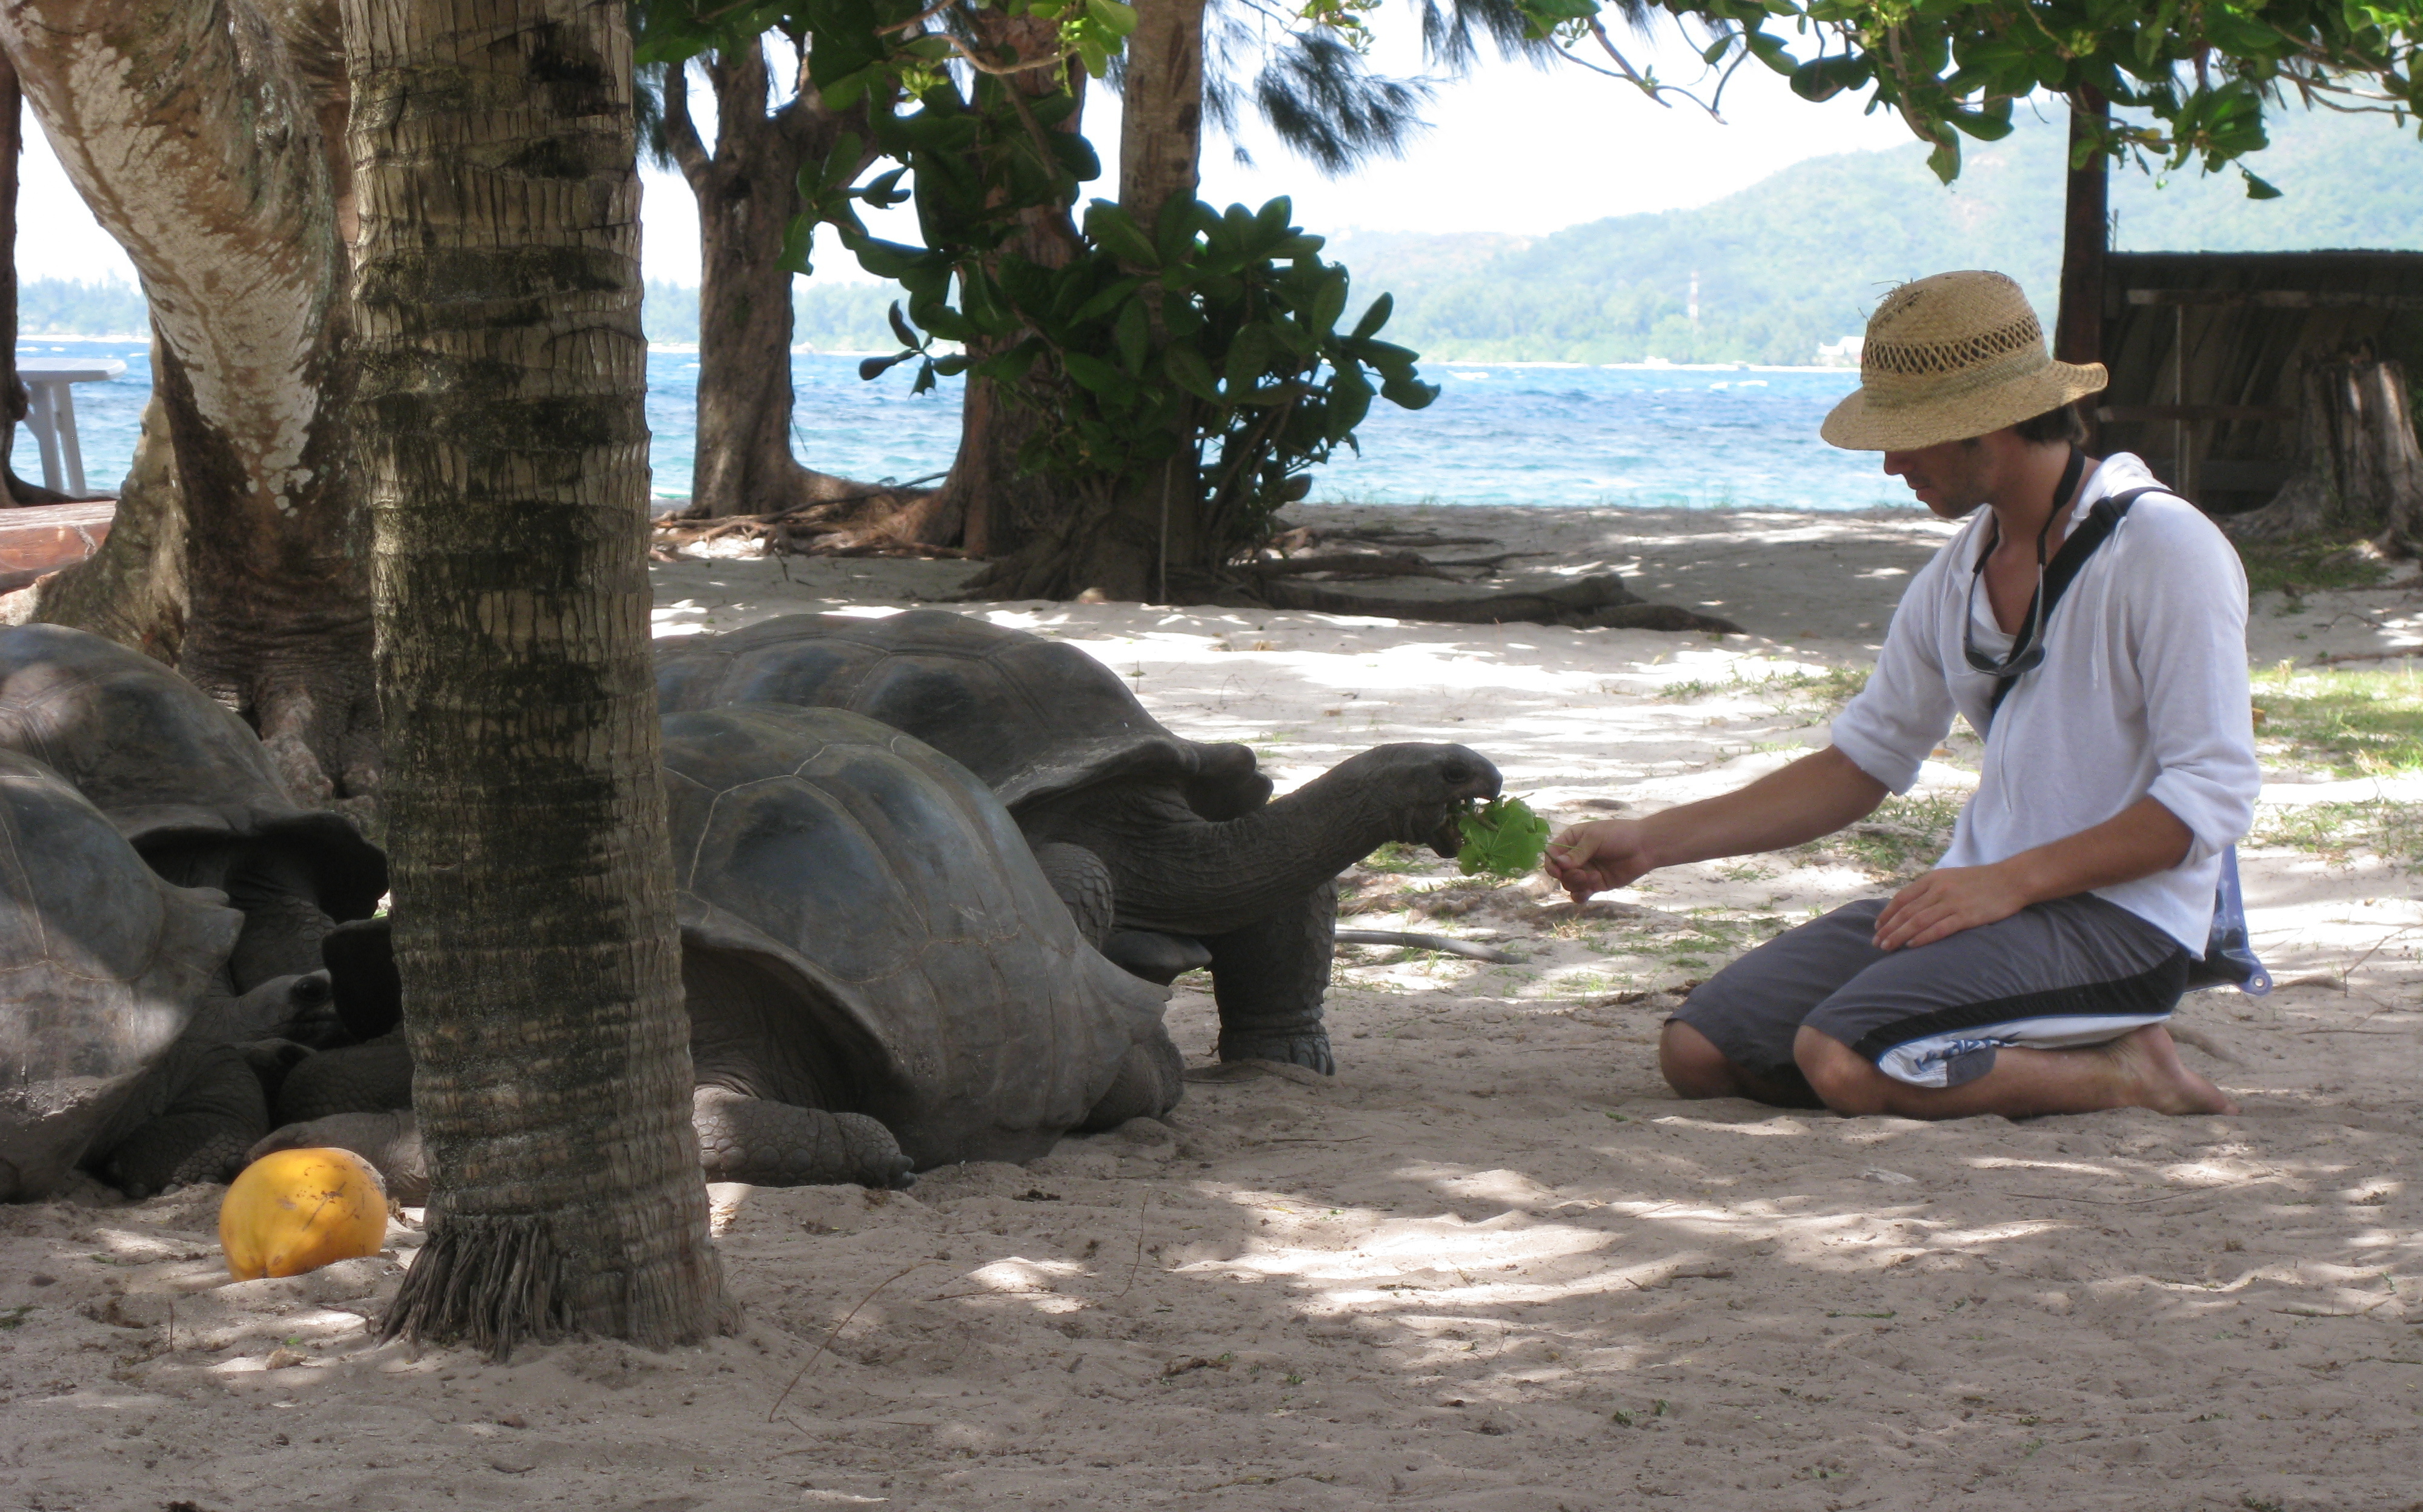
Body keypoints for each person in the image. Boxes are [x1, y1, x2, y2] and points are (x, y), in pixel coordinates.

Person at [1546, 270, 2258, 1120]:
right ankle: (2024, 1042)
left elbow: (2211, 793)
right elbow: (1862, 763)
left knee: (1842, 1058)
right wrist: (1649, 842)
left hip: (2123, 924)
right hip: (1985, 903)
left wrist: (2010, 882)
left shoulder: (2166, 548)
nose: (1890, 464)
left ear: (1985, 426)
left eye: (1909, 437)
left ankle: (2126, 1074)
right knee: (1698, 1050)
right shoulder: (1955, 574)